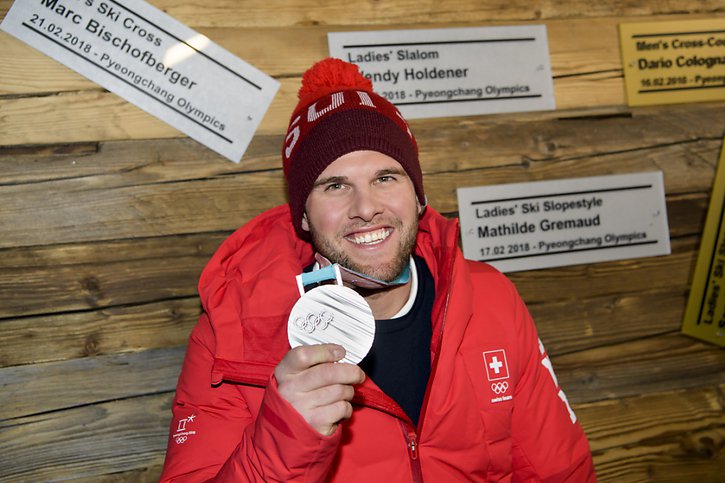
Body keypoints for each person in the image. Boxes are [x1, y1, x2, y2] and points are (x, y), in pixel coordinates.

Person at [159, 58, 596, 482]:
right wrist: (284, 437)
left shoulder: (488, 297)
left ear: (419, 196)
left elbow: (558, 471)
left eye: (386, 178)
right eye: (335, 185)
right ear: (304, 216)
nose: (366, 208)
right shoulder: (231, 333)